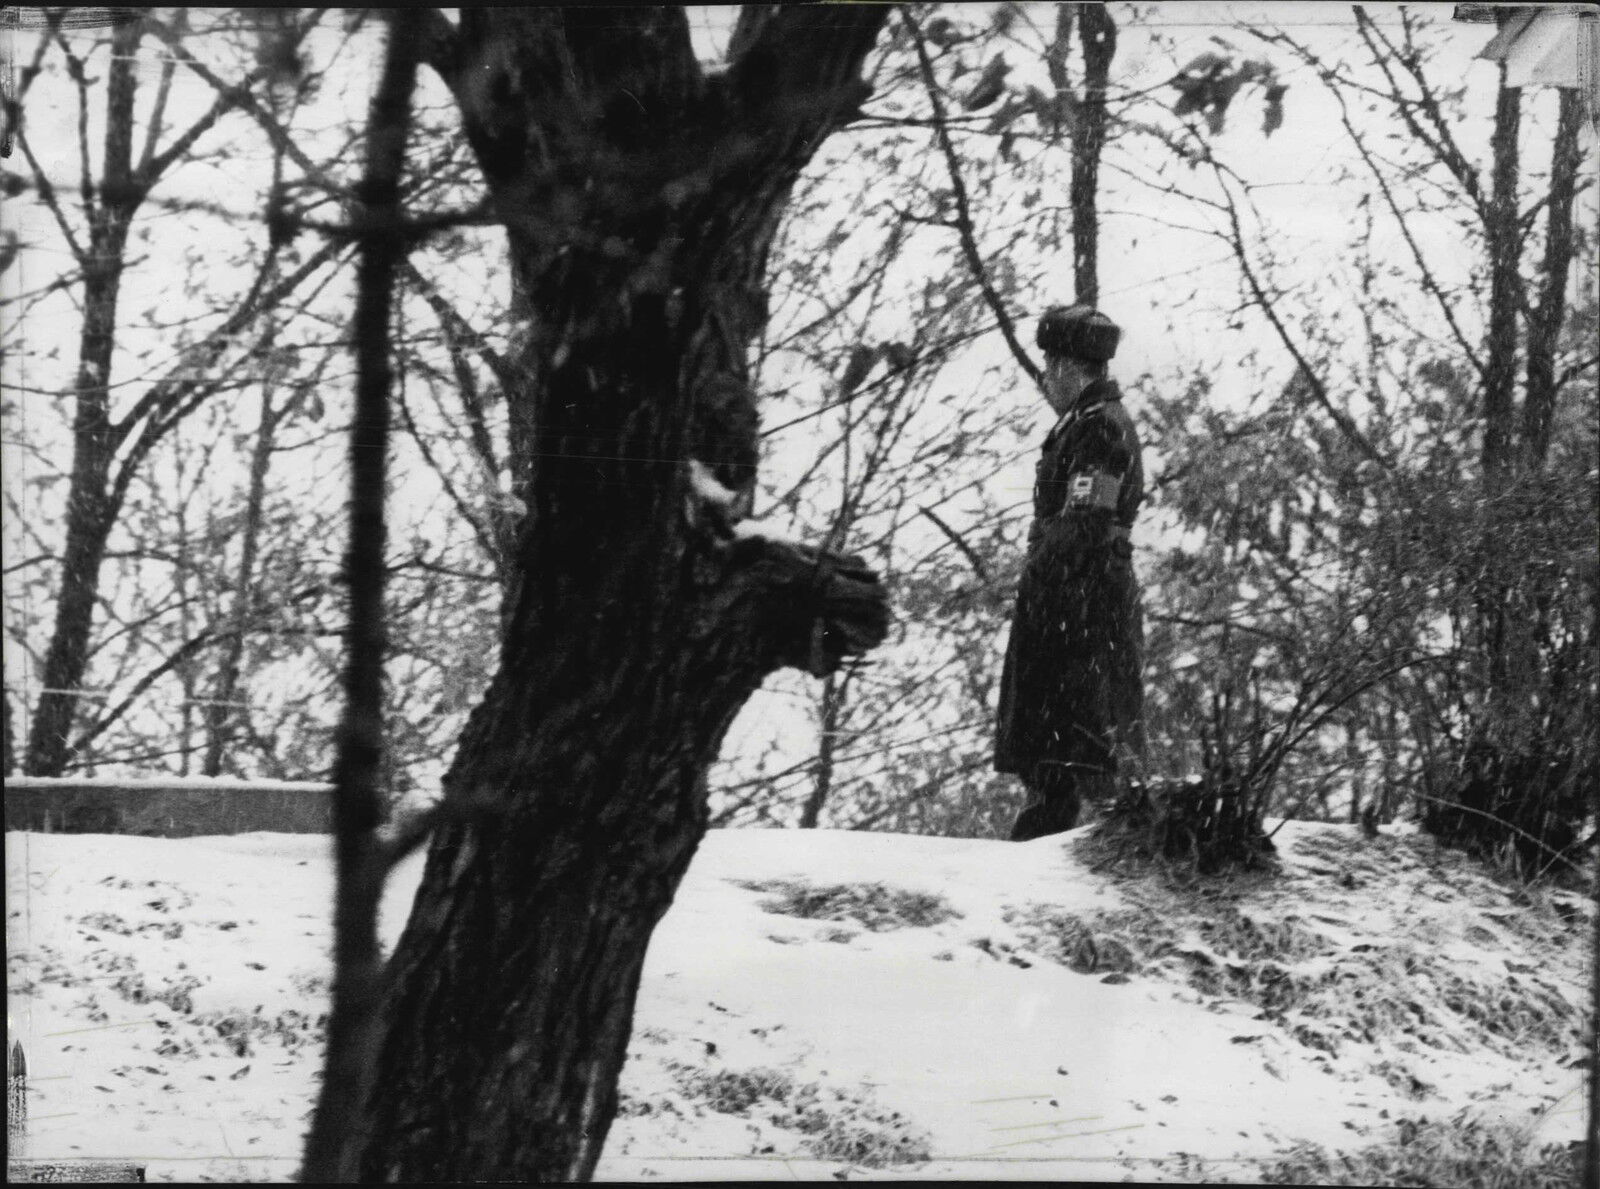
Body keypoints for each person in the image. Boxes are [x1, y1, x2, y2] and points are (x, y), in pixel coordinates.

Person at [995, 304, 1146, 841]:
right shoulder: (1085, 424)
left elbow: (1085, 521)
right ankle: (1044, 846)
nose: (1044, 381)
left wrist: (1042, 569)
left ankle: (1082, 851)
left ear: (1064, 366)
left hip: (1081, 607)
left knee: (1080, 748)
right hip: (1073, 601)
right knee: (1063, 753)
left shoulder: (1098, 430)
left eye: (1048, 367)